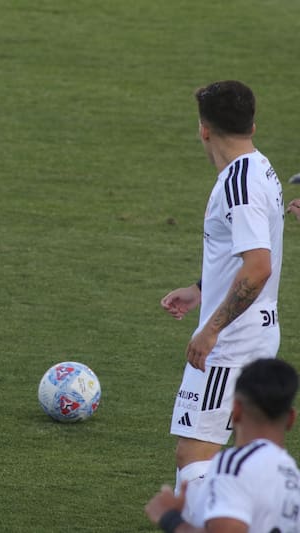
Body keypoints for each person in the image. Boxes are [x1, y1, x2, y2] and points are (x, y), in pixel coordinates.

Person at [159, 80, 283, 505]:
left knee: (195, 456)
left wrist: (210, 330)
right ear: (252, 125)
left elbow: (258, 267)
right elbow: (248, 253)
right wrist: (200, 289)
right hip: (254, 332)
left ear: (204, 129)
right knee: (236, 456)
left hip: (231, 344)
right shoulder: (260, 167)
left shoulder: (239, 185)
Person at [145, 357, 300, 532]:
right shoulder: (293, 477)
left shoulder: (235, 465)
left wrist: (170, 518)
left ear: (236, 410)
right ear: (291, 419)